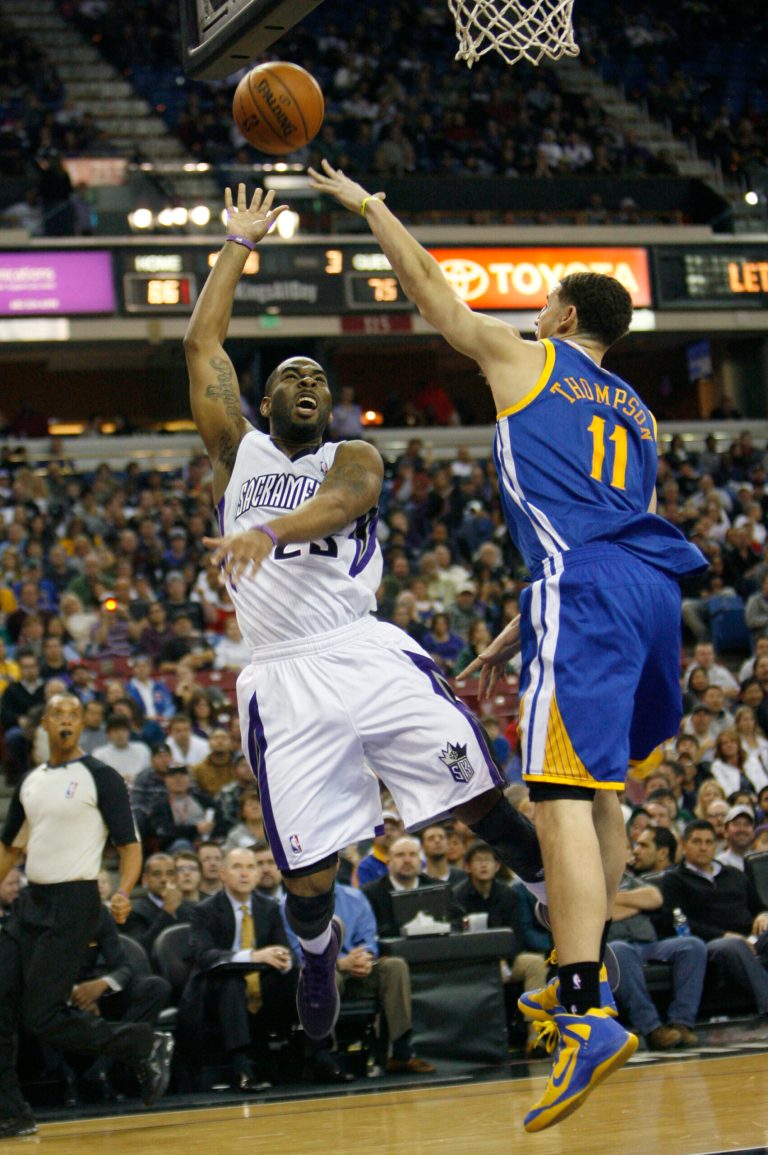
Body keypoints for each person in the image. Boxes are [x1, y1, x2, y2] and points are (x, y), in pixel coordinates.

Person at [306, 160, 708, 1132]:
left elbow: (434, 294)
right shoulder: (639, 412)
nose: (533, 310)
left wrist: (370, 208)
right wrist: (510, 630)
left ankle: (583, 1006)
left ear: (566, 320)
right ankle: (588, 980)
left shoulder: (533, 363)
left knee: (559, 797)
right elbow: (606, 527)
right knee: (601, 791)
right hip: (650, 596)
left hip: (585, 592)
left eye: (545, 301)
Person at [186, 185, 547, 1067]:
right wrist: (237, 245)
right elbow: (203, 344)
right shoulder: (239, 450)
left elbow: (349, 501)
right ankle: (314, 957)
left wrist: (266, 530)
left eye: (319, 378)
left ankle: (554, 891)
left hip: (365, 649)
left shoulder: (354, 456)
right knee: (307, 875)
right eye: (290, 377)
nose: (308, 383)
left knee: (477, 798)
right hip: (283, 673)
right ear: (262, 402)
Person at [0, 694, 173, 1137]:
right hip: (30, 902)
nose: (65, 720)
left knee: (41, 1015)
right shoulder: (30, 780)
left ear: (82, 725)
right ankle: (11, 1113)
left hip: (74, 902)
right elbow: (10, 848)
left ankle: (143, 1042)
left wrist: (124, 890)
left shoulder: (101, 776)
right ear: (44, 722)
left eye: (73, 715)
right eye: (57, 714)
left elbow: (129, 845)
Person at [177, 847, 295, 1091]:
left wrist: (283, 958)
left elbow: (283, 948)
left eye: (250, 867)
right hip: (214, 989)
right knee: (233, 982)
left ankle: (318, 1055)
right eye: (237, 867)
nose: (245, 874)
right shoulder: (204, 910)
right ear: (222, 873)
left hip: (259, 982)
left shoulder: (269, 907)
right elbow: (205, 957)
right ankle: (241, 1067)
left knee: (300, 975)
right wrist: (252, 956)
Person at [661, 819, 768, 1015]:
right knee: (732, 946)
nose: (703, 848)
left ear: (715, 845)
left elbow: (758, 907)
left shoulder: (734, 875)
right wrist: (724, 934)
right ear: (684, 845)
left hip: (750, 936)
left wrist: (763, 915)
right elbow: (677, 923)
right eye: (697, 842)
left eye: (709, 842)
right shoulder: (674, 880)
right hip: (710, 942)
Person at [607, 858, 706, 1050]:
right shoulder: (586, 880)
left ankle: (681, 1023)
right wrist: (636, 903)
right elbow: (599, 912)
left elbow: (654, 898)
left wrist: (612, 899)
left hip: (649, 944)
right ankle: (653, 1029)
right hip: (615, 947)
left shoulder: (625, 878)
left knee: (692, 946)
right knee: (619, 949)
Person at [123, 853, 197, 955]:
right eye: (156, 874)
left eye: (170, 873)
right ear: (145, 879)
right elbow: (139, 950)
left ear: (176, 877)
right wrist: (167, 912)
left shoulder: (193, 908)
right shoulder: (133, 912)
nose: (164, 879)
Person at [716, 803, 757, 871]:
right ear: (725, 831)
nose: (742, 829)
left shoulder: (760, 861)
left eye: (747, 824)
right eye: (736, 824)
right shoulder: (719, 864)